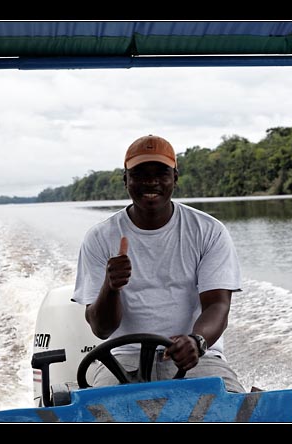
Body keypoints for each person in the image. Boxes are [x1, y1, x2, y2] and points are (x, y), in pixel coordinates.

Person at [73, 134, 245, 393]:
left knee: (232, 411)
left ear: (175, 178)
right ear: (126, 180)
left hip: (196, 357)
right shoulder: (99, 238)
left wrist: (196, 341)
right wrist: (111, 286)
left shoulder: (208, 231)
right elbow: (101, 329)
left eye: (161, 173)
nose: (150, 181)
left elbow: (218, 304)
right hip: (122, 358)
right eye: (140, 173)